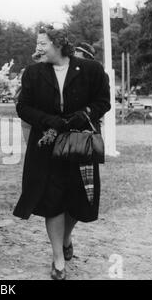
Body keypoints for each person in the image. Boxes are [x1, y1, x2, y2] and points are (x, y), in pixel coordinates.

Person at [13, 25, 110, 280]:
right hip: (46, 146)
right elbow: (23, 107)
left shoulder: (91, 69)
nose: (38, 48)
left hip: (80, 142)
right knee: (52, 201)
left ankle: (66, 237)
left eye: (43, 43)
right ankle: (58, 258)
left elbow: (104, 101)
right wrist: (47, 120)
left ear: (58, 44)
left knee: (79, 199)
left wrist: (86, 114)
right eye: (37, 43)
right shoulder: (33, 73)